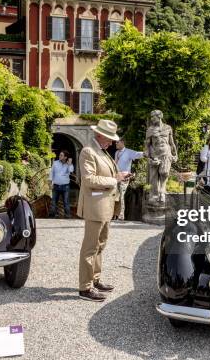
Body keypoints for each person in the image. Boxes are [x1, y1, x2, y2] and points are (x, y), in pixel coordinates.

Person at [77, 119, 130, 302]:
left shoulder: (102, 151)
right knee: (90, 248)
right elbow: (90, 180)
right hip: (95, 207)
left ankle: (95, 279)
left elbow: (106, 176)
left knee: (100, 246)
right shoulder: (88, 151)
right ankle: (85, 288)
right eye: (109, 139)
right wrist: (115, 179)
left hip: (105, 206)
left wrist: (119, 177)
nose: (112, 142)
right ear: (99, 135)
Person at [114, 138, 143, 220]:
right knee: (115, 196)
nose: (116, 144)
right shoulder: (116, 153)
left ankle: (121, 216)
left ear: (122, 142)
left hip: (125, 178)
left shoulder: (129, 152)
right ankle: (115, 214)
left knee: (121, 196)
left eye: (117, 142)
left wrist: (148, 153)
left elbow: (138, 154)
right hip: (116, 177)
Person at [49, 150, 74, 218]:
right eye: (60, 155)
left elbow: (71, 171)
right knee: (54, 201)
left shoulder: (69, 165)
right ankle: (53, 214)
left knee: (66, 201)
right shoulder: (55, 163)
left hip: (65, 186)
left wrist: (69, 164)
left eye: (61, 155)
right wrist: (50, 183)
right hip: (56, 185)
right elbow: (51, 173)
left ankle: (67, 215)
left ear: (65, 157)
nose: (59, 156)